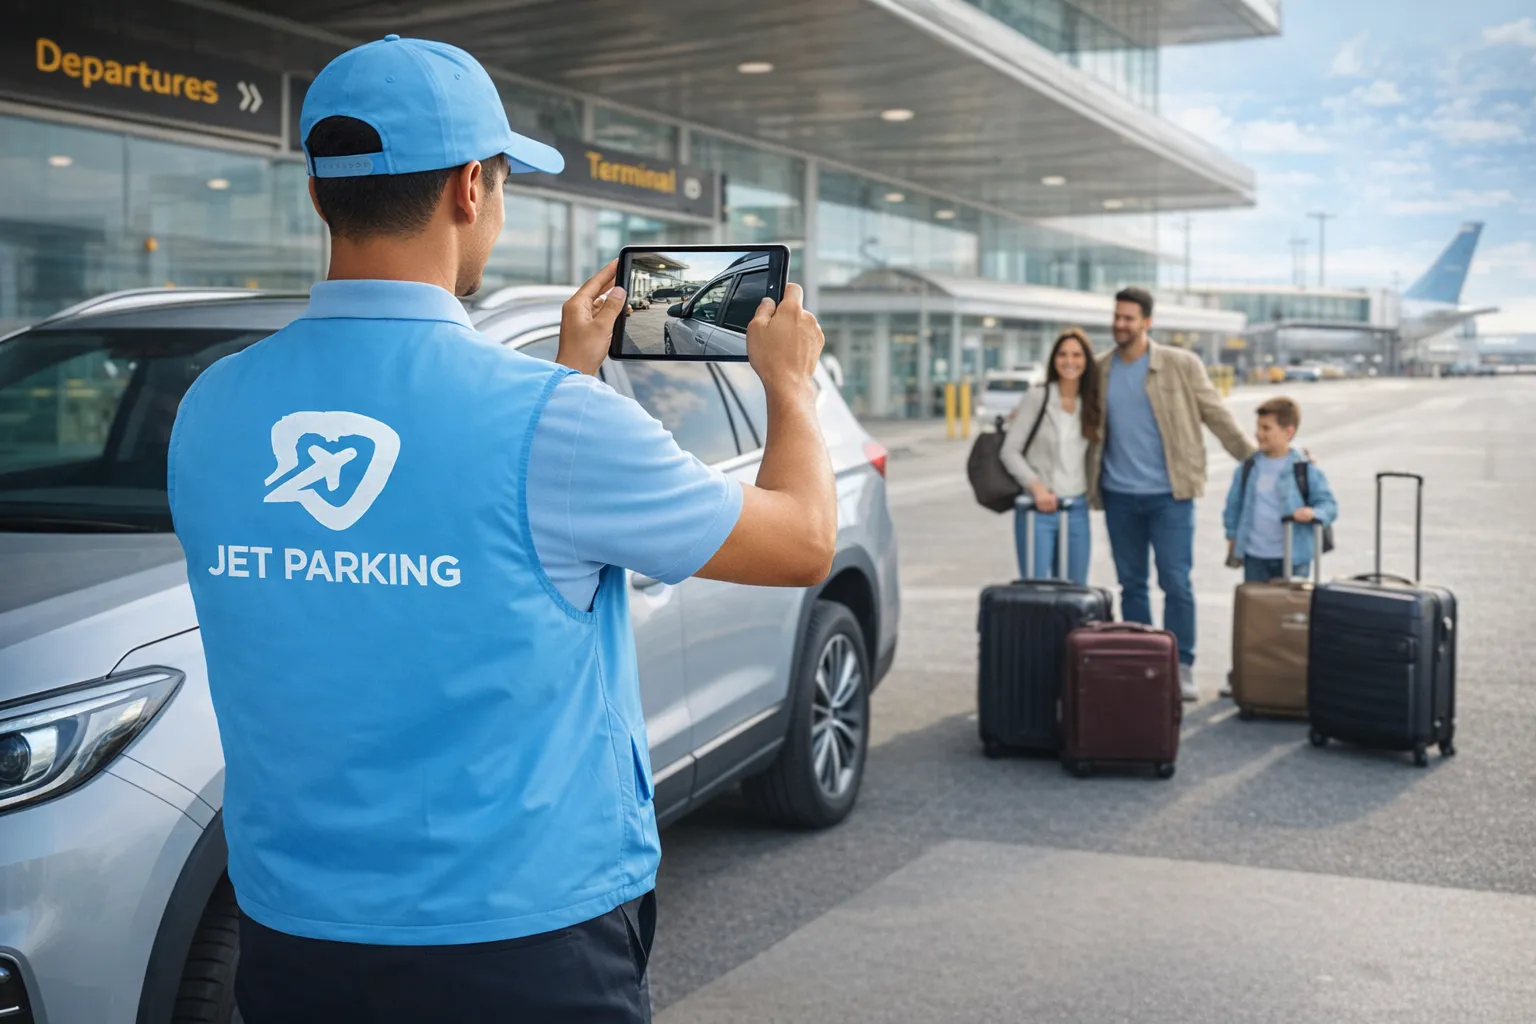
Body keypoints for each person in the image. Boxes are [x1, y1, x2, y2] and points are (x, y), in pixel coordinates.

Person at [166, 35, 835, 1024]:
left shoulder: (210, 408)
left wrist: (571, 369)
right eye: (506, 181)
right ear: (470, 189)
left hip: (295, 932)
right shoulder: (551, 425)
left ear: (320, 196)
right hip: (522, 943)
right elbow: (802, 542)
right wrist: (789, 384)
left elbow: (460, 534)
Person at [1088, 287, 1256, 701]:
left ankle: (1181, 665)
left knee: (1176, 581)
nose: (1120, 324)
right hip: (1119, 495)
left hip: (1170, 495)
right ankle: (1144, 660)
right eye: (1117, 317)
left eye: (1129, 318)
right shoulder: (1099, 369)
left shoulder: (1181, 365)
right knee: (1132, 584)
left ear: (1147, 322)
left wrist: (1257, 459)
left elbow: (1216, 414)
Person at [999, 328, 1102, 584]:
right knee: (1037, 591)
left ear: (1086, 362)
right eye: (1063, 355)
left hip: (1076, 508)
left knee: (1076, 591)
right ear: (1054, 360)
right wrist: (1037, 488)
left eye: (1077, 355)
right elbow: (1009, 451)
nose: (1070, 361)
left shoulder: (1091, 402)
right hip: (1038, 508)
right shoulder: (1038, 397)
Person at [1223, 396, 1339, 583]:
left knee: (1289, 611)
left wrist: (1313, 513)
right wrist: (1232, 536)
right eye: (1258, 427)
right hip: (1255, 557)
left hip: (1294, 557)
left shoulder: (1304, 469)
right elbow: (1233, 505)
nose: (1259, 434)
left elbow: (1329, 505)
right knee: (1256, 610)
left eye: (1266, 428)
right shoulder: (1248, 467)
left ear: (1289, 432)